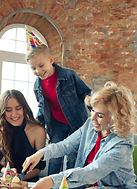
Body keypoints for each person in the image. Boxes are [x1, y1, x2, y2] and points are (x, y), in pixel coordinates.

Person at [21, 81, 137, 189]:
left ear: (115, 118)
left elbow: (91, 173)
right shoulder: (90, 126)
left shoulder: (122, 144)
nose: (92, 118)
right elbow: (66, 145)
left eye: (100, 115)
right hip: (90, 186)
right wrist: (40, 154)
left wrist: (51, 179)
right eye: (92, 111)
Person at [26, 44, 91, 175]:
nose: (38, 71)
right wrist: (37, 123)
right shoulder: (37, 86)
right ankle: (52, 187)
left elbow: (86, 93)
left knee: (73, 156)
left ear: (50, 60)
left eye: (41, 65)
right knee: (54, 156)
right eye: (33, 68)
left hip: (76, 124)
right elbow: (41, 106)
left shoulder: (69, 75)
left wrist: (91, 104)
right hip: (56, 125)